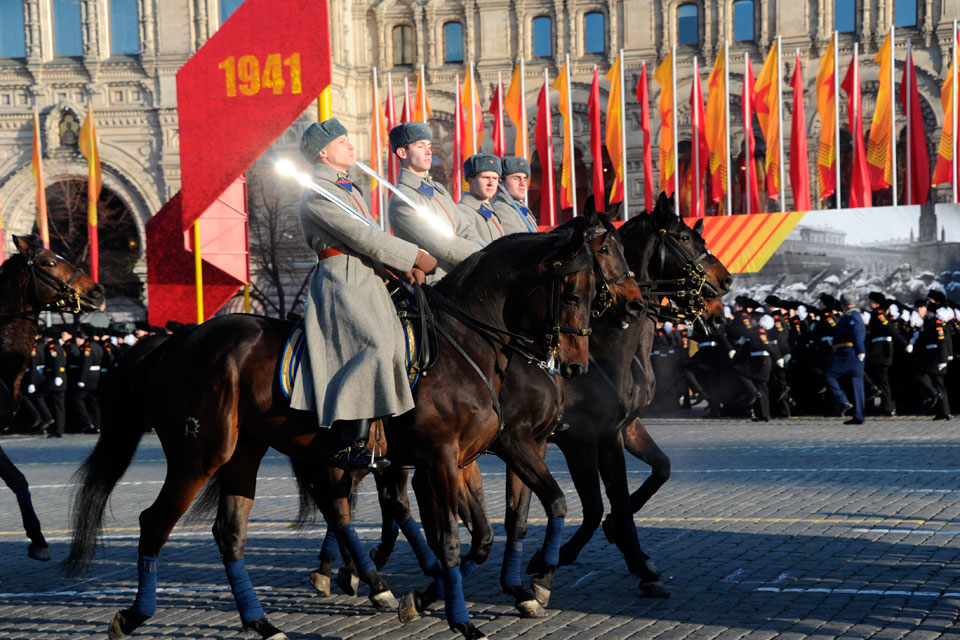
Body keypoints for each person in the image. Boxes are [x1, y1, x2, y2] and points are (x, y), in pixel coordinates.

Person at [288, 118, 438, 470]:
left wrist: (402, 268)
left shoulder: (348, 189)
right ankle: (350, 440)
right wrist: (414, 255)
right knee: (376, 345)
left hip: (368, 275)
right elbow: (361, 236)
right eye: (343, 141)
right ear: (323, 153)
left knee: (405, 339)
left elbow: (370, 238)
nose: (351, 146)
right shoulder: (317, 194)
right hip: (343, 280)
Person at [387, 122, 483, 283]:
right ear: (403, 152)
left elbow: (464, 227)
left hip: (462, 277)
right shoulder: (402, 199)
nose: (429, 151)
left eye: (429, 146)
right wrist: (485, 256)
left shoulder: (438, 189)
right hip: (437, 285)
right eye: (420, 146)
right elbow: (441, 244)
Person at [824, 294, 866, 425]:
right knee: (857, 383)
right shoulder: (853, 315)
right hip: (853, 352)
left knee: (829, 375)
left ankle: (843, 401)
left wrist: (860, 350)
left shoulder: (851, 316)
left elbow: (856, 334)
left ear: (843, 305)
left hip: (847, 353)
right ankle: (859, 415)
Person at [910, 290, 952, 420]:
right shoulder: (931, 322)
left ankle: (937, 399)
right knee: (939, 383)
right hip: (933, 356)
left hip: (936, 357)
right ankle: (943, 412)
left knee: (923, 377)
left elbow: (942, 341)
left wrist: (943, 358)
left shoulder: (937, 322)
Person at [459, 154, 507, 243]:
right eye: (485, 177)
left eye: (495, 178)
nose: (491, 183)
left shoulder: (490, 210)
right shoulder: (463, 211)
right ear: (470, 181)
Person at [492, 156, 539, 234]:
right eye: (516, 178)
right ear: (501, 182)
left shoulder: (518, 206)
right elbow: (521, 243)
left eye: (525, 179)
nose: (522, 183)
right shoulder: (501, 209)